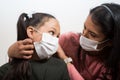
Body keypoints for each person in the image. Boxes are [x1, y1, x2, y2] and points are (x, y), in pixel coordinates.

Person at [6, 3, 120, 80]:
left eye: (92, 34)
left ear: (110, 41)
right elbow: (38, 46)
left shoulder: (112, 67)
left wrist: (65, 60)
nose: (83, 35)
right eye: (84, 27)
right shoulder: (70, 40)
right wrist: (11, 52)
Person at [0, 12, 70, 80]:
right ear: (31, 32)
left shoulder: (61, 66)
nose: (55, 39)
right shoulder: (6, 70)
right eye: (51, 32)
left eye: (57, 36)